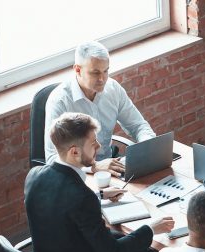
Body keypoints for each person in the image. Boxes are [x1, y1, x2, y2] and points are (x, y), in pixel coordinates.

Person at [25, 112, 174, 252]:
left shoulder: (35, 176)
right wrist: (150, 229)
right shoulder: (80, 197)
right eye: (93, 143)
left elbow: (60, 203)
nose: (99, 147)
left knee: (127, 240)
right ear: (75, 152)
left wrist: (99, 195)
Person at [44, 41, 156, 176]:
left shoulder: (113, 89)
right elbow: (51, 160)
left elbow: (138, 125)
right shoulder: (60, 101)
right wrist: (94, 167)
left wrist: (148, 146)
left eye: (106, 71)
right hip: (78, 174)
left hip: (112, 167)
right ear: (78, 70)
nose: (102, 79)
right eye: (95, 73)